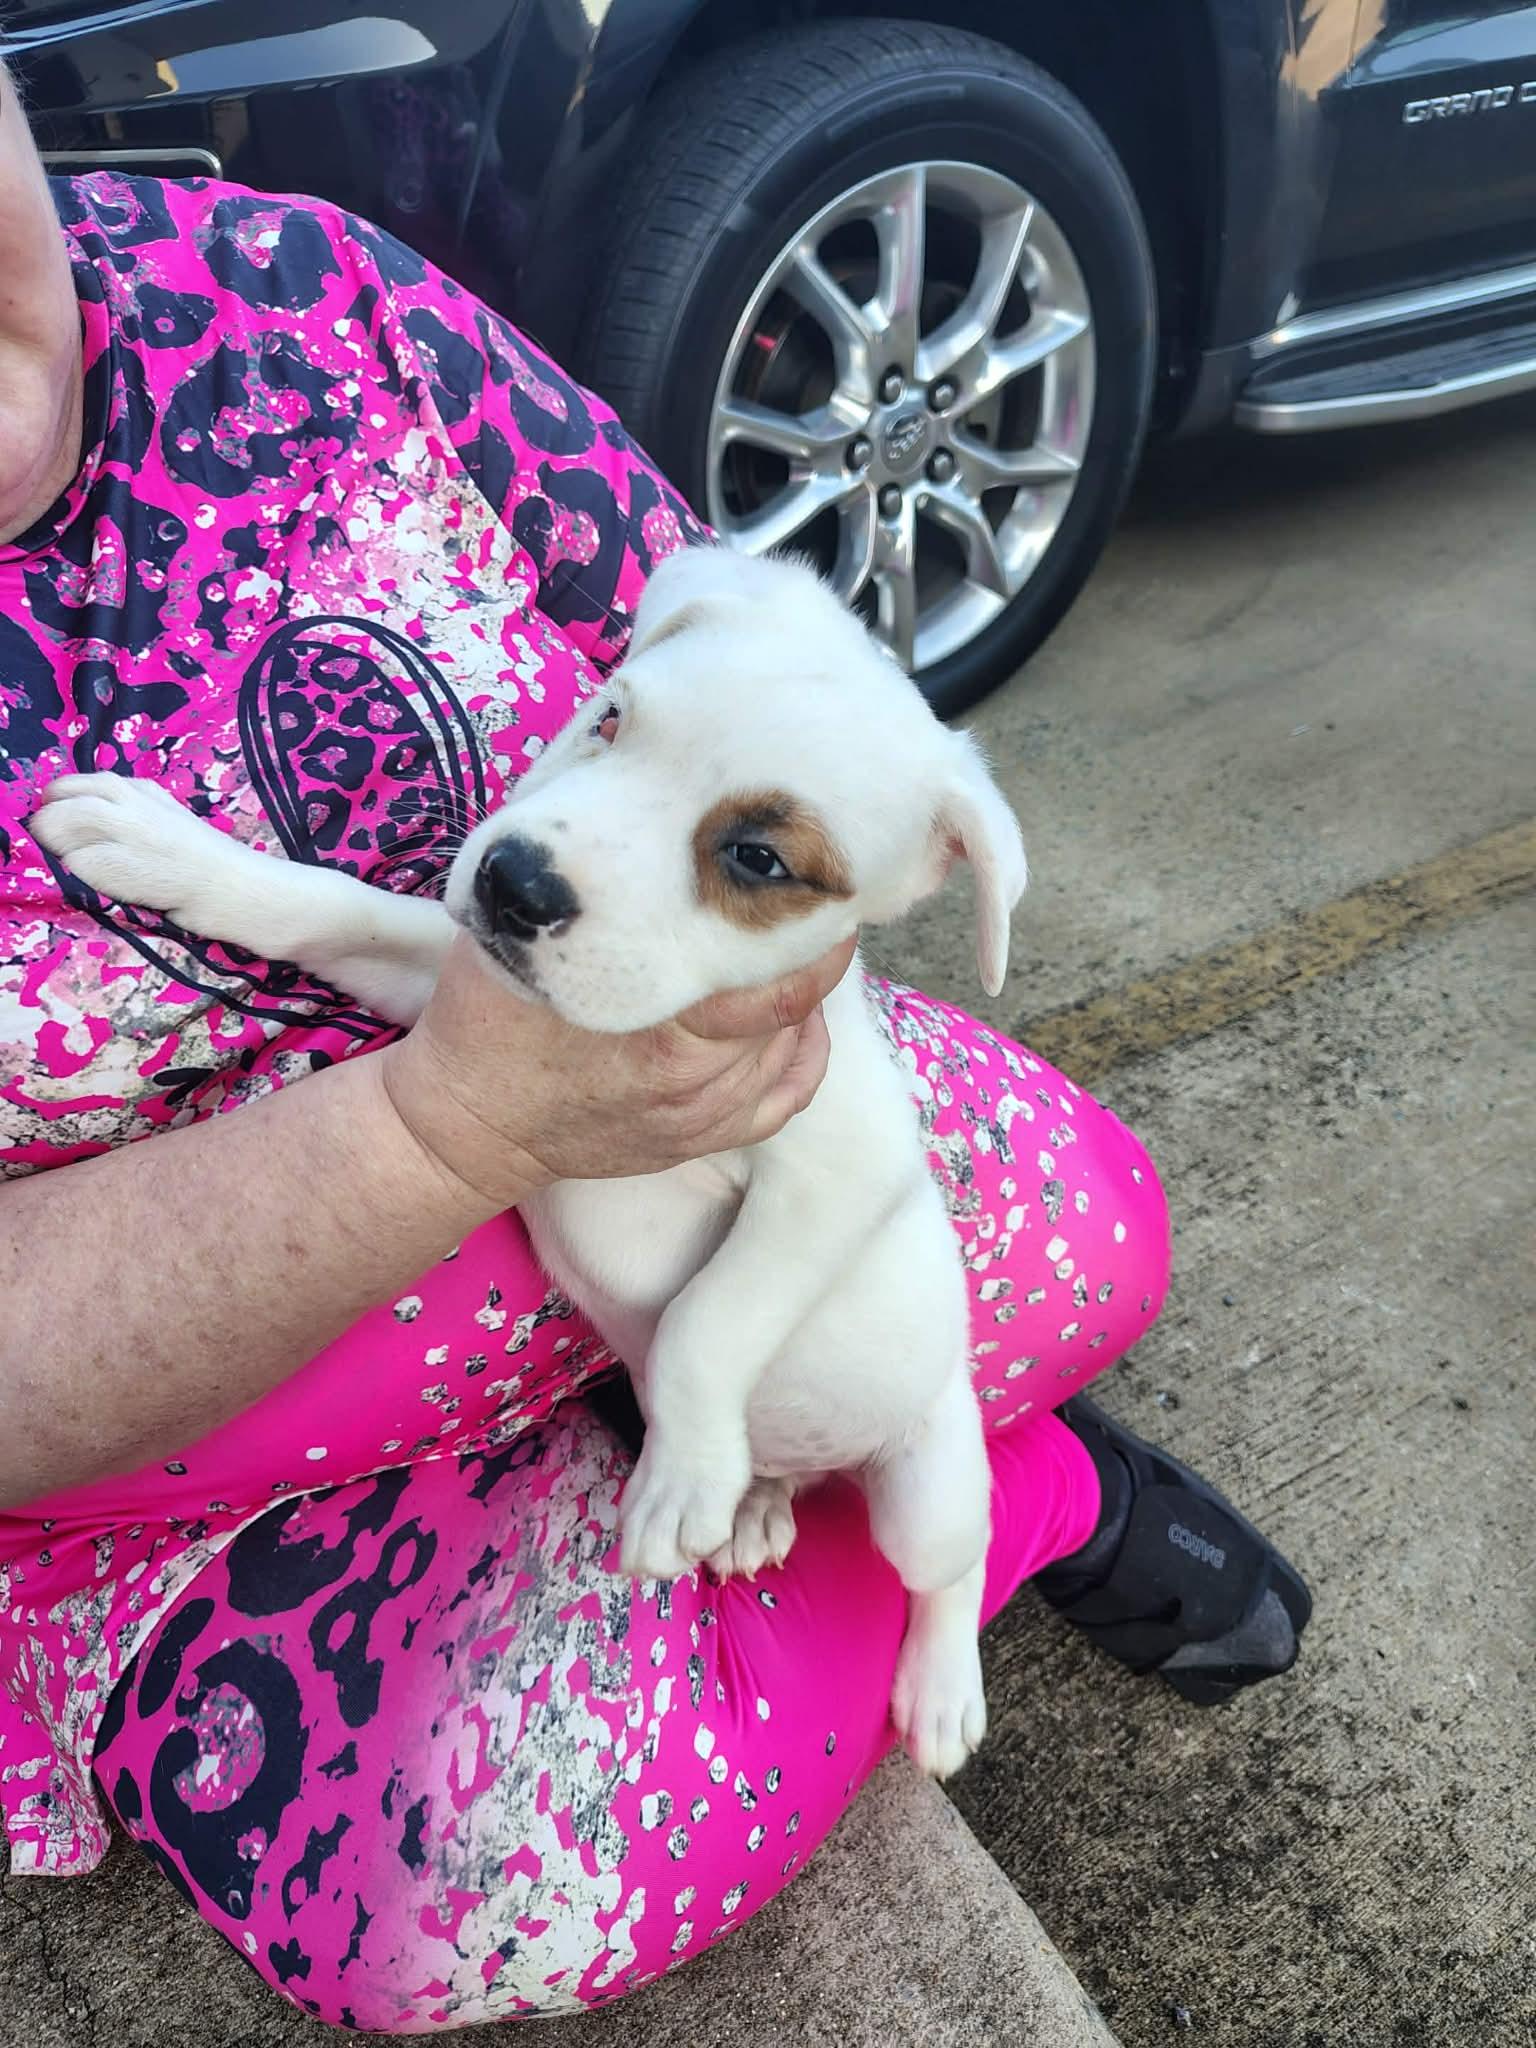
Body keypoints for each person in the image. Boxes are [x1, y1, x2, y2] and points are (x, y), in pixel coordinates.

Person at [0, 59, 1309, 2031]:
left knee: (1101, 1234)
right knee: (463, 1891)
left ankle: (968, 1502)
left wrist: (705, 1366)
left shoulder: (295, 297)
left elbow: (737, 660)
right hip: (198, 1430)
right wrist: (446, 1130)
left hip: (695, 1246)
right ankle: (974, 1501)